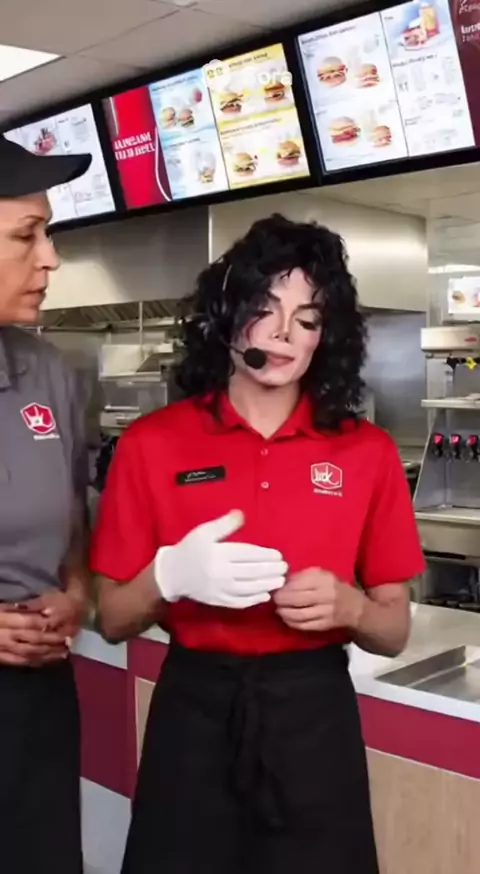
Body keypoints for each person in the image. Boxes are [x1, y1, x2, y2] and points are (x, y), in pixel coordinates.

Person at [91, 214, 425, 874]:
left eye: (307, 318)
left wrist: (352, 607)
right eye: (264, 309)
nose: (282, 334)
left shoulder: (367, 452)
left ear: (326, 336)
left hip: (315, 718)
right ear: (227, 317)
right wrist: (169, 575)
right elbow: (111, 618)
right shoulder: (152, 444)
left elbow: (393, 631)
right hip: (193, 714)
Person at [0, 134, 92, 874]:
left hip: (37, 699)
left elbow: (72, 512)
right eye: (26, 235)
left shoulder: (44, 369)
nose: (51, 258)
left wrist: (78, 590)